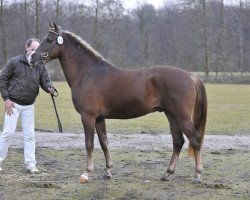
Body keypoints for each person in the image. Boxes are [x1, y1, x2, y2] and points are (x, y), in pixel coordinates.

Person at [0, 38, 55, 174]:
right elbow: (2, 79)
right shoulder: (14, 61)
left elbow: (45, 81)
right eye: (32, 49)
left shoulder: (40, 64)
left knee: (30, 136)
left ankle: (31, 164)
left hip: (29, 106)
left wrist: (50, 88)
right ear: (26, 48)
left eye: (37, 50)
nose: (34, 52)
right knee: (7, 133)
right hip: (13, 104)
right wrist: (6, 99)